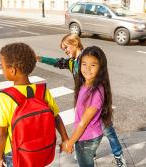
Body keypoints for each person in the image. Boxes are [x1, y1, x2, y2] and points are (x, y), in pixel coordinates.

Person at [37, 34, 126, 167]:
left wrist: (70, 142)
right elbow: (56, 62)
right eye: (63, 49)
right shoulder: (71, 62)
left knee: (107, 129)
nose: (66, 51)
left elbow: (83, 123)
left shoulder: (88, 55)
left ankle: (118, 155)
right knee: (96, 129)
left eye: (66, 47)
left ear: (75, 43)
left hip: (94, 100)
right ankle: (90, 152)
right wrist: (40, 59)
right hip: (85, 99)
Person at [0, 42, 69, 167]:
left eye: (2, 66)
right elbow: (56, 118)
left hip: (16, 154)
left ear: (12, 70)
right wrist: (65, 139)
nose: (2, 69)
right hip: (42, 149)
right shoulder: (42, 91)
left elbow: (1, 133)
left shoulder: (3, 97)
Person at [61, 46, 113, 167]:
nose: (87, 69)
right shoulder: (86, 83)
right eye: (84, 64)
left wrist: (70, 143)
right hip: (91, 135)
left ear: (101, 68)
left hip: (86, 139)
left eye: (93, 65)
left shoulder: (95, 92)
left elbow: (83, 123)